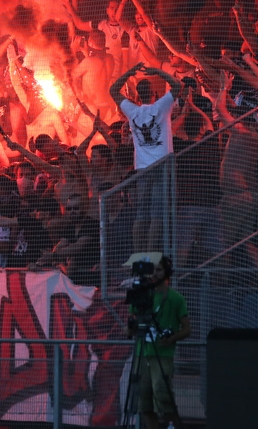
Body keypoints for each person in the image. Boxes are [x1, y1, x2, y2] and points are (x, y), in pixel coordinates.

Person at [110, 63, 182, 251]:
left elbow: (113, 90)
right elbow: (177, 87)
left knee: (141, 215)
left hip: (141, 169)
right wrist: (158, 72)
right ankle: (149, 258)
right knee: (156, 215)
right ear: (154, 93)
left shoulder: (132, 111)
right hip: (161, 166)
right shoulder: (161, 106)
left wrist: (128, 72)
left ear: (138, 95)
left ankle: (139, 257)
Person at [125, 253, 191, 429]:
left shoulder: (176, 299)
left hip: (162, 354)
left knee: (163, 395)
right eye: (152, 269)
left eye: (159, 269)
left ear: (167, 272)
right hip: (141, 352)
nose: (154, 273)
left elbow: (187, 328)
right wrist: (131, 328)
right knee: (143, 401)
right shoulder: (141, 296)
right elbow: (132, 322)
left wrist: (171, 338)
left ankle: (173, 426)